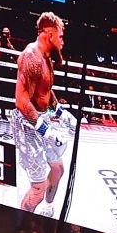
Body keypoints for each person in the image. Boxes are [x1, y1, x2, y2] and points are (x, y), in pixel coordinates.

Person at [13, 11, 70, 214]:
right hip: (27, 125)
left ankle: (47, 208)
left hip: (40, 118)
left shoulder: (47, 57)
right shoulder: (31, 57)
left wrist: (61, 111)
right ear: (49, 33)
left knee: (58, 169)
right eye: (61, 35)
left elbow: (45, 89)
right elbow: (21, 101)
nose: (63, 41)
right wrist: (46, 130)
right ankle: (23, 220)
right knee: (38, 189)